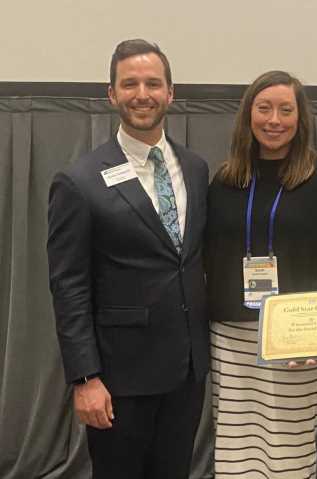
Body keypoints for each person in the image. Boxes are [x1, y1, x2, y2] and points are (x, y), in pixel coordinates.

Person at [47, 39, 209, 479]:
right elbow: (69, 286)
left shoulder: (194, 168)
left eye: (153, 83)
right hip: (119, 380)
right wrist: (85, 379)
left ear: (170, 93)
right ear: (112, 94)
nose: (143, 94)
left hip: (186, 372)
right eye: (130, 83)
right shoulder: (79, 182)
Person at [204, 70, 317, 478]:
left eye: (286, 110)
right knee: (237, 449)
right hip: (231, 337)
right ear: (248, 115)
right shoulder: (224, 180)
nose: (274, 120)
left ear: (301, 119)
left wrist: (315, 335)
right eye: (264, 108)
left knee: (289, 448)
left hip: (296, 339)